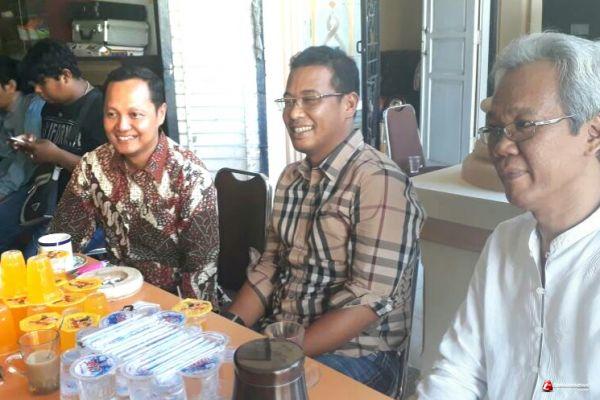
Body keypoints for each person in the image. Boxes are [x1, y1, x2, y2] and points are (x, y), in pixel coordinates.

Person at [226, 46, 425, 396]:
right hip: (283, 336)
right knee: (206, 376)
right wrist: (229, 328)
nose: (294, 113)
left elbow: (367, 302)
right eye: (288, 101)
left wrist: (280, 357)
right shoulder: (290, 178)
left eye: (310, 99)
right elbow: (269, 267)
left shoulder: (379, 181)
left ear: (349, 104)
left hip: (358, 354)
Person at [417, 32, 600, 399]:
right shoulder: (506, 241)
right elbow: (459, 370)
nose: (501, 146)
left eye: (524, 125)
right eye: (496, 129)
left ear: (592, 134)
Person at [49, 66, 220, 302]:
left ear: (160, 114)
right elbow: (63, 241)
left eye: (135, 114)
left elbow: (200, 273)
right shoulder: (93, 166)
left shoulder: (190, 177)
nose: (121, 126)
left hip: (175, 303)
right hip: (116, 295)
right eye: (112, 114)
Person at [10, 39, 106, 255]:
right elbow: (50, 155)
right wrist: (35, 149)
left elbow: (105, 174)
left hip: (84, 211)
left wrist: (56, 155)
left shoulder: (99, 109)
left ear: (65, 75)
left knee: (34, 261)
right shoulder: (49, 107)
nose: (37, 90)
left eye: (41, 83)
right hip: (48, 202)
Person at [0, 56, 45, 252]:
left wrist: (2, 190)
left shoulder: (31, 109)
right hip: (14, 181)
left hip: (31, 183)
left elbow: (25, 164)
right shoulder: (5, 114)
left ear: (10, 85)